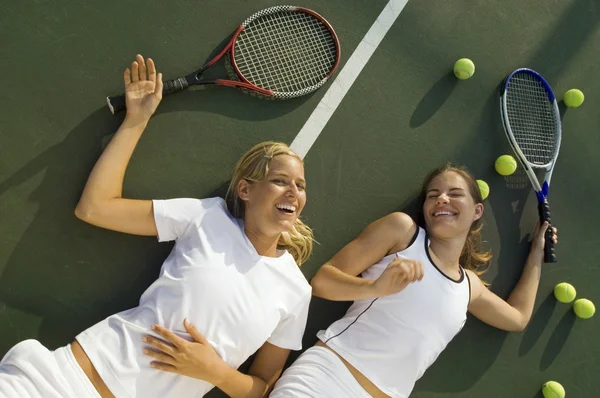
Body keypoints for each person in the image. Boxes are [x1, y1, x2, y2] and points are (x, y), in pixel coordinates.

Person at [0, 54, 313, 398]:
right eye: (281, 181)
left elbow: (263, 387)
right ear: (246, 190)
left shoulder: (295, 291)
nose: (293, 192)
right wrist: (137, 120)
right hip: (60, 384)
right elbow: (96, 207)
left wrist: (215, 371)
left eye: (299, 185)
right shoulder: (207, 218)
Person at [270, 165, 559, 398]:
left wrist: (536, 252)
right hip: (325, 380)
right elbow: (322, 281)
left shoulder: (469, 288)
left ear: (477, 211)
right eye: (433, 195)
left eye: (454, 194)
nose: (441, 199)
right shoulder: (403, 232)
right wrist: (374, 288)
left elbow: (518, 318)